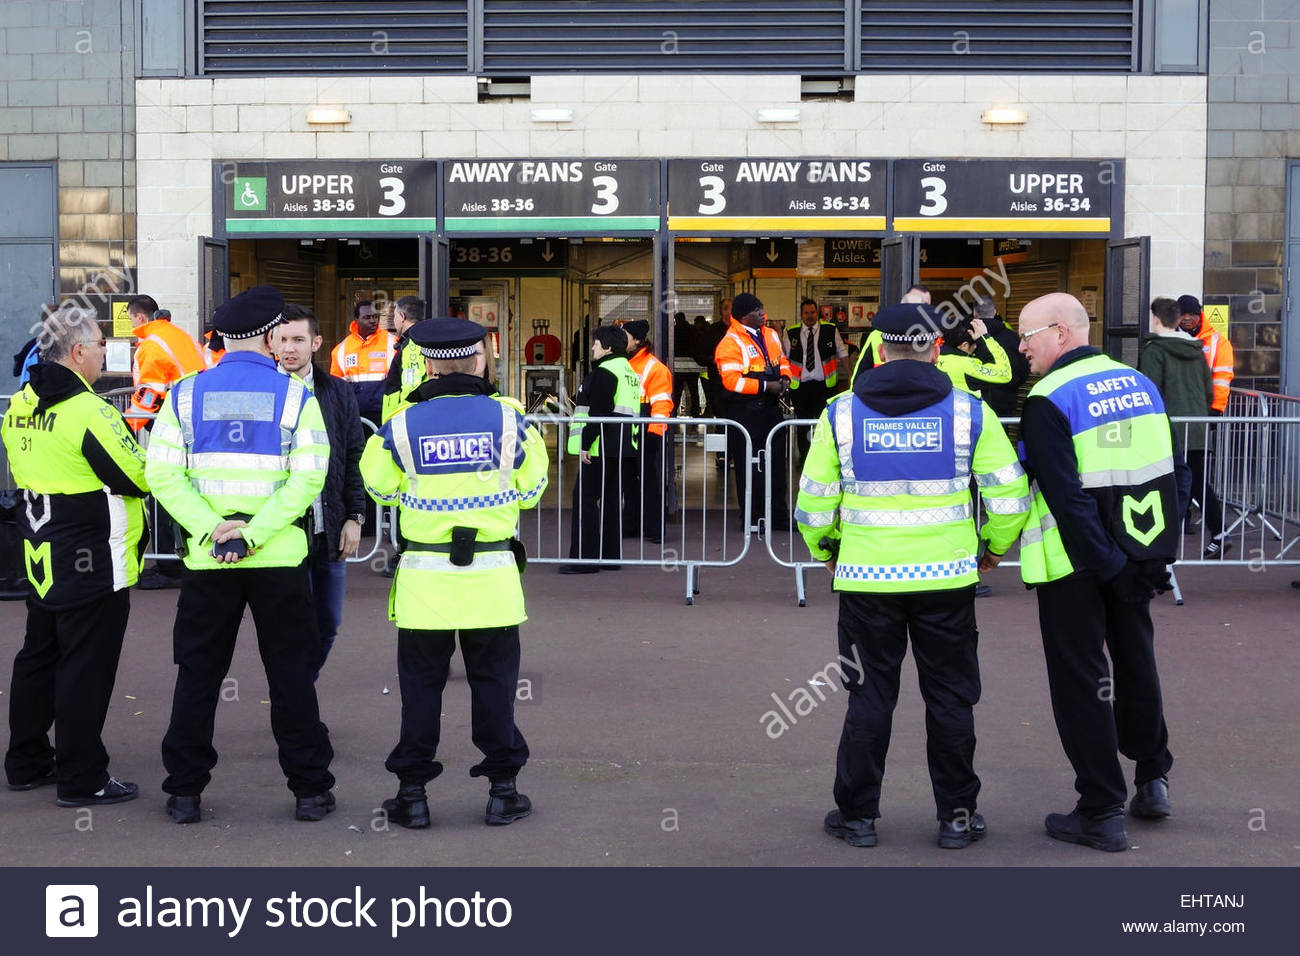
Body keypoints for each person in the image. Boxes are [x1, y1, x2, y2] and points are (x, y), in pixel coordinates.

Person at [797, 302, 1030, 850]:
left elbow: (812, 505)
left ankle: (857, 818)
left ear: (878, 350)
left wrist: (829, 550)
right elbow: (1010, 496)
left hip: (865, 581)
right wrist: (990, 551)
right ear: (936, 348)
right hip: (947, 579)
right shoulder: (970, 411)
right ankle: (956, 816)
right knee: (950, 696)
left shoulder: (841, 414)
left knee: (869, 696)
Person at [146, 285, 335, 825]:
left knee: (198, 676)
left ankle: (184, 793)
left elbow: (160, 473)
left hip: (210, 562)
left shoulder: (184, 394)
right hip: (276, 559)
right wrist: (254, 533)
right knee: (291, 676)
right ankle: (309, 791)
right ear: (271, 335)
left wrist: (213, 530)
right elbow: (309, 477)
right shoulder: (296, 396)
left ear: (222, 338)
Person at [360, 317, 548, 829]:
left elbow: (379, 488)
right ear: (481, 359)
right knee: (495, 687)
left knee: (421, 689)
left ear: (427, 364)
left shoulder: (400, 423)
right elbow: (532, 490)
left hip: (426, 582)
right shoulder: (512, 421)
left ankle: (413, 795)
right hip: (493, 581)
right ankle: (503, 792)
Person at [1016, 292, 1185, 853]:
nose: (1022, 348)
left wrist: (1108, 565)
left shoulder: (1046, 398)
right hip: (1139, 556)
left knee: (1082, 681)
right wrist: (1155, 558)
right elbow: (1173, 473)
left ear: (1061, 332)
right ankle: (1152, 778)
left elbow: (1067, 499)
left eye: (1028, 335)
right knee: (1137, 663)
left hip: (1076, 566)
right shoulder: (1140, 384)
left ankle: (1100, 809)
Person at [2, 304, 147, 807]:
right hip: (93, 556)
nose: (106, 353)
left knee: (38, 658)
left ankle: (25, 762)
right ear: (80, 351)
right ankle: (82, 775)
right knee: (85, 667)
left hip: (42, 552)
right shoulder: (91, 411)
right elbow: (139, 476)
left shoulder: (21, 401)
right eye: (102, 346)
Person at [274, 304, 366, 679]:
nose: (289, 348)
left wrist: (355, 517)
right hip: (280, 532)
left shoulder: (339, 393)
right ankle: (297, 706)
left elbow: (354, 455)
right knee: (290, 630)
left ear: (316, 342)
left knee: (327, 623)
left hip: (329, 527)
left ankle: (300, 693)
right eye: (282, 340)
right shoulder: (267, 391)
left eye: (298, 339)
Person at [1140, 297, 1220, 557]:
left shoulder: (1154, 351)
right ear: (1176, 319)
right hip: (1196, 425)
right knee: (1196, 481)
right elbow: (1209, 391)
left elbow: (1150, 393)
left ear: (1156, 319)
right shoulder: (1196, 350)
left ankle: (1164, 546)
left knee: (1164, 485)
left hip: (1168, 429)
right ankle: (1219, 530)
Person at [561, 326, 640, 573]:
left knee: (584, 499)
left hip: (600, 448)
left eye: (595, 344)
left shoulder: (606, 371)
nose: (593, 348)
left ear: (606, 347)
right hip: (622, 447)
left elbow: (599, 413)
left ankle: (584, 560)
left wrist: (585, 444)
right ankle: (609, 556)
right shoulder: (628, 371)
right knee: (611, 501)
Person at [713, 293, 792, 530]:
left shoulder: (771, 334)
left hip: (770, 410)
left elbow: (782, 360)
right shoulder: (730, 342)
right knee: (750, 468)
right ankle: (752, 518)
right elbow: (732, 382)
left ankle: (779, 517)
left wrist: (785, 378)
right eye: (758, 310)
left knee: (777, 466)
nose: (763, 313)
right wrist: (768, 385)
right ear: (745, 316)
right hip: (745, 413)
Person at [1177, 294, 1234, 556]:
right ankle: (1212, 530)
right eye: (1182, 313)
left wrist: (1215, 412)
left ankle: (1219, 532)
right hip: (1181, 418)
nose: (1187, 318)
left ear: (1200, 314)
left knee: (1196, 478)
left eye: (1191, 313)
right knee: (1186, 477)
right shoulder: (1173, 337)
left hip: (1200, 417)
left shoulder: (1217, 341)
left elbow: (1222, 378)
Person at [622, 318, 673, 544]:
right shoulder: (623, 363)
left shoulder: (654, 368)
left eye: (626, 337)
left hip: (645, 429)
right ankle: (631, 524)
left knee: (649, 481)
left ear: (638, 341)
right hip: (627, 429)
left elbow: (662, 404)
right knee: (628, 481)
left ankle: (654, 529)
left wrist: (655, 433)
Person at [782, 298, 847, 462]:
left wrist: (852, 376)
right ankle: (804, 458)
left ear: (817, 313)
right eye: (806, 313)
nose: (809, 316)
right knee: (802, 423)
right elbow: (783, 358)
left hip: (825, 386)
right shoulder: (790, 332)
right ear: (801, 314)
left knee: (823, 423)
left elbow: (843, 353)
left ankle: (823, 458)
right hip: (800, 387)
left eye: (812, 312)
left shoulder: (830, 330)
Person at [330, 299, 397, 424]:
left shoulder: (393, 343)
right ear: (356, 320)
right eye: (367, 317)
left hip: (385, 414)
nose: (372, 321)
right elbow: (336, 386)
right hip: (353, 416)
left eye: (375, 317)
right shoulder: (341, 350)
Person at [969, 298, 1030, 420]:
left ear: (974, 313)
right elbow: (1023, 369)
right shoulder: (1012, 337)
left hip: (971, 401)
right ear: (995, 312)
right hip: (1004, 403)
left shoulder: (967, 335)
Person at [854, 285, 929, 382]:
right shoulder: (876, 336)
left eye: (925, 305)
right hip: (882, 393)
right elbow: (859, 377)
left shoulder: (935, 336)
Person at [380, 296, 428, 423]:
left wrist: (403, 422)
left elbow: (411, 388)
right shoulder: (419, 339)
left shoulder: (412, 345)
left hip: (405, 418)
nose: (394, 320)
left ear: (402, 316)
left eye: (395, 316)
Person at [672, 312, 700, 418]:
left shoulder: (674, 330)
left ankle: (673, 413)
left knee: (676, 392)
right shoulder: (692, 329)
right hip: (692, 364)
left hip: (677, 364)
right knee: (694, 392)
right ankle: (695, 414)